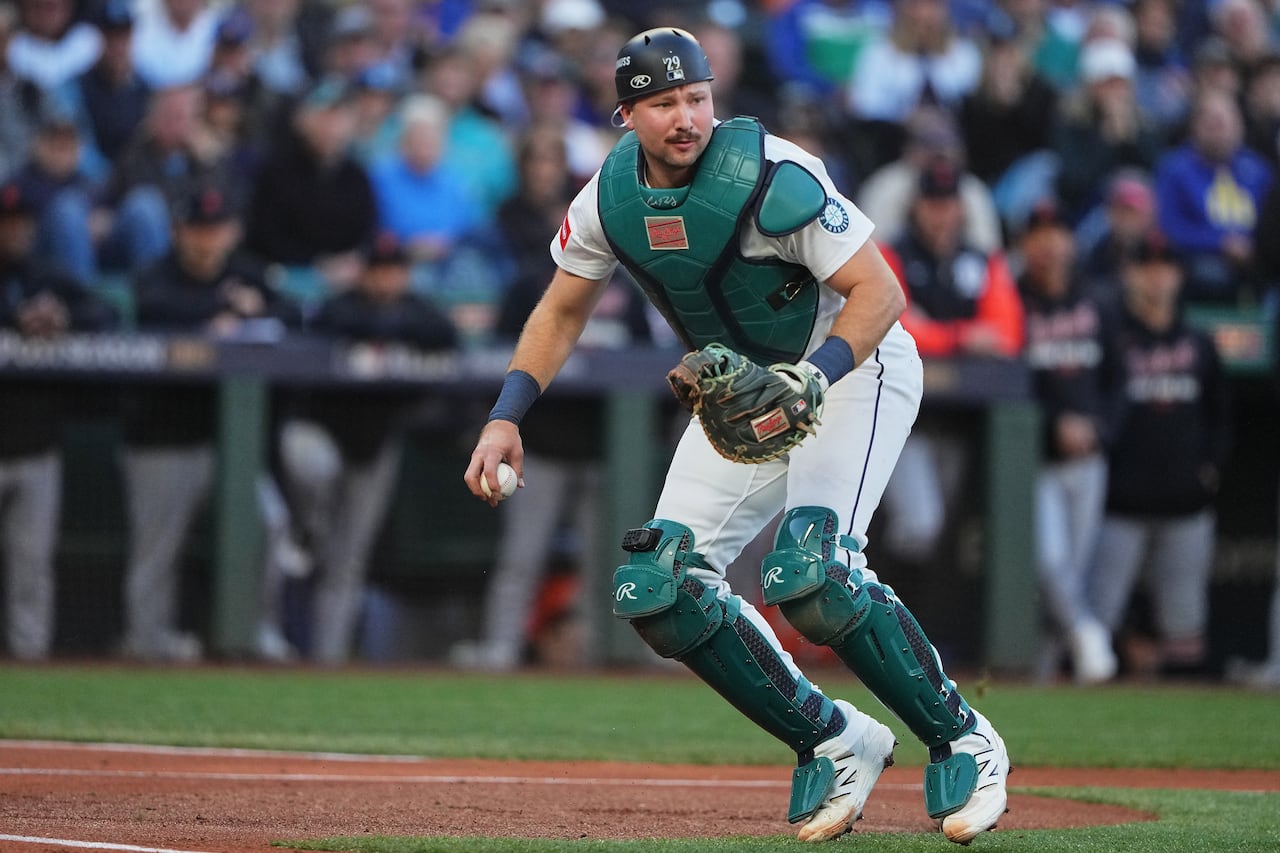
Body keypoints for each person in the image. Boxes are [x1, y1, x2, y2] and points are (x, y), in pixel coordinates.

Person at [463, 27, 1010, 845]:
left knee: (814, 572)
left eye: (695, 97)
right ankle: (833, 739)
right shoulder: (606, 200)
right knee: (659, 586)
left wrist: (814, 375)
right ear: (625, 114)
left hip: (852, 364)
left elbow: (880, 292)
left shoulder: (772, 175)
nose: (684, 117)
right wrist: (506, 412)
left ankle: (965, 735)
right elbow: (562, 307)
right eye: (661, 103)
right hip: (745, 384)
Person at [119, 183, 301, 662]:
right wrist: (215, 316)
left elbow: (295, 314)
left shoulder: (247, 274)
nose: (207, 240)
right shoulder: (158, 274)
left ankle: (259, 629)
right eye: (198, 229)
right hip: (163, 437)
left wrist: (253, 310)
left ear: (232, 232)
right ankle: (146, 637)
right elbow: (151, 308)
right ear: (180, 231)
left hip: (234, 444)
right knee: (157, 547)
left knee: (270, 522)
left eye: (216, 230)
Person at [279, 230, 458, 664]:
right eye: (376, 271)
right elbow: (328, 325)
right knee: (314, 466)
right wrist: (385, 337)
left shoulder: (417, 310)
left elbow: (445, 335)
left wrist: (389, 335)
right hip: (319, 432)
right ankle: (309, 528)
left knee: (350, 557)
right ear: (362, 272)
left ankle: (328, 657)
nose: (384, 280)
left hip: (374, 445)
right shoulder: (339, 306)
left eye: (393, 271)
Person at [1087, 228, 1233, 679]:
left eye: (1165, 268)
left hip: (1185, 503)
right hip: (1121, 504)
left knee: (1184, 622)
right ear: (1130, 273)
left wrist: (1210, 469)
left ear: (1178, 276)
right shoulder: (1113, 338)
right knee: (1100, 618)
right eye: (1146, 267)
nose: (1156, 278)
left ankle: (1185, 729)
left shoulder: (1199, 341)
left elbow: (1221, 415)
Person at [878, 157, 1025, 564]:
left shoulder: (981, 259)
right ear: (916, 206)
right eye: (932, 203)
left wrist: (934, 334)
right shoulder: (891, 253)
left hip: (959, 419)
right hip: (903, 417)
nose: (941, 214)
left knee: (943, 534)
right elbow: (892, 322)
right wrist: (961, 336)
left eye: (948, 203)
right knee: (918, 526)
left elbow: (1006, 335)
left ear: (961, 207)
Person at [0, 179, 116, 660]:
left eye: (22, 223)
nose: (15, 232)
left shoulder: (48, 276)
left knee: (32, 566)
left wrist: (61, 318)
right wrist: (14, 320)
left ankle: (29, 661)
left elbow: (106, 314)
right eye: (7, 223)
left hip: (38, 444)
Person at [1016, 201, 1126, 684]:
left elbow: (1121, 380)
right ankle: (1087, 635)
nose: (1049, 242)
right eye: (1038, 233)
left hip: (1090, 458)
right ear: (1025, 245)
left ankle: (1049, 669)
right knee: (1050, 563)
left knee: (1070, 574)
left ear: (1071, 240)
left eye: (1057, 231)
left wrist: (1099, 429)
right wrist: (1054, 423)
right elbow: (1012, 381)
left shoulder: (1098, 298)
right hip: (1036, 459)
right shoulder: (1015, 297)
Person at [1154, 87, 1274, 305]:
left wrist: (1254, 245)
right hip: (1200, 257)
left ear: (1239, 126)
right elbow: (1169, 228)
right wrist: (1221, 242)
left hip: (1256, 254)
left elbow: (1271, 223)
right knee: (1211, 275)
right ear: (1195, 127)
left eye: (1224, 122)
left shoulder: (1258, 170)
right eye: (1211, 123)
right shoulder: (1175, 170)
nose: (1218, 130)